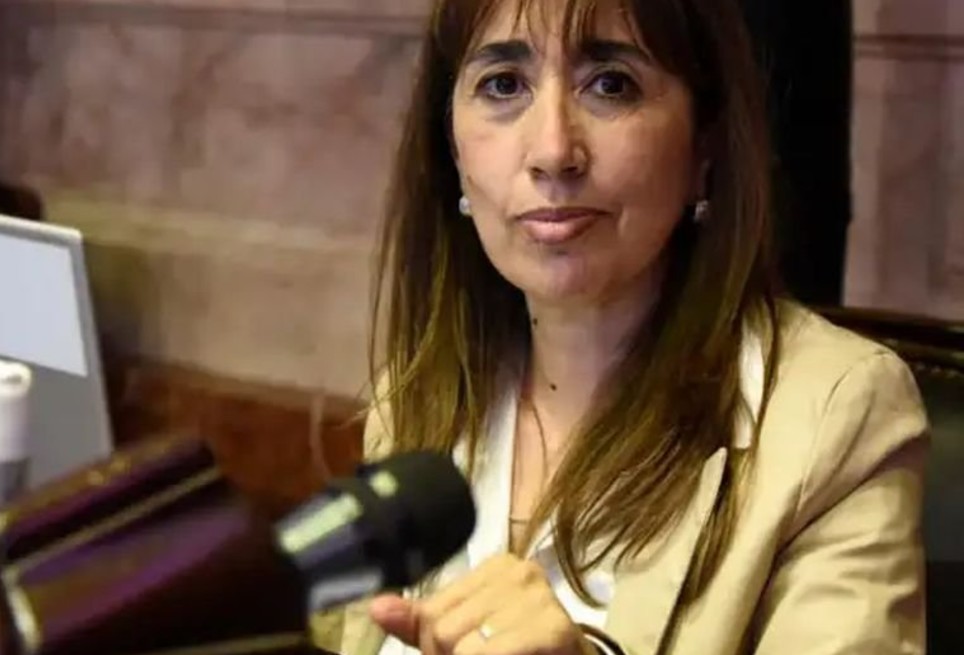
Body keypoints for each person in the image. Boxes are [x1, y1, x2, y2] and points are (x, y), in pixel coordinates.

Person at [310, 0, 928, 653]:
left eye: (610, 84)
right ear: (454, 153)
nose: (554, 151)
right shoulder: (410, 404)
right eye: (504, 85)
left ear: (704, 145)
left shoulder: (835, 418)